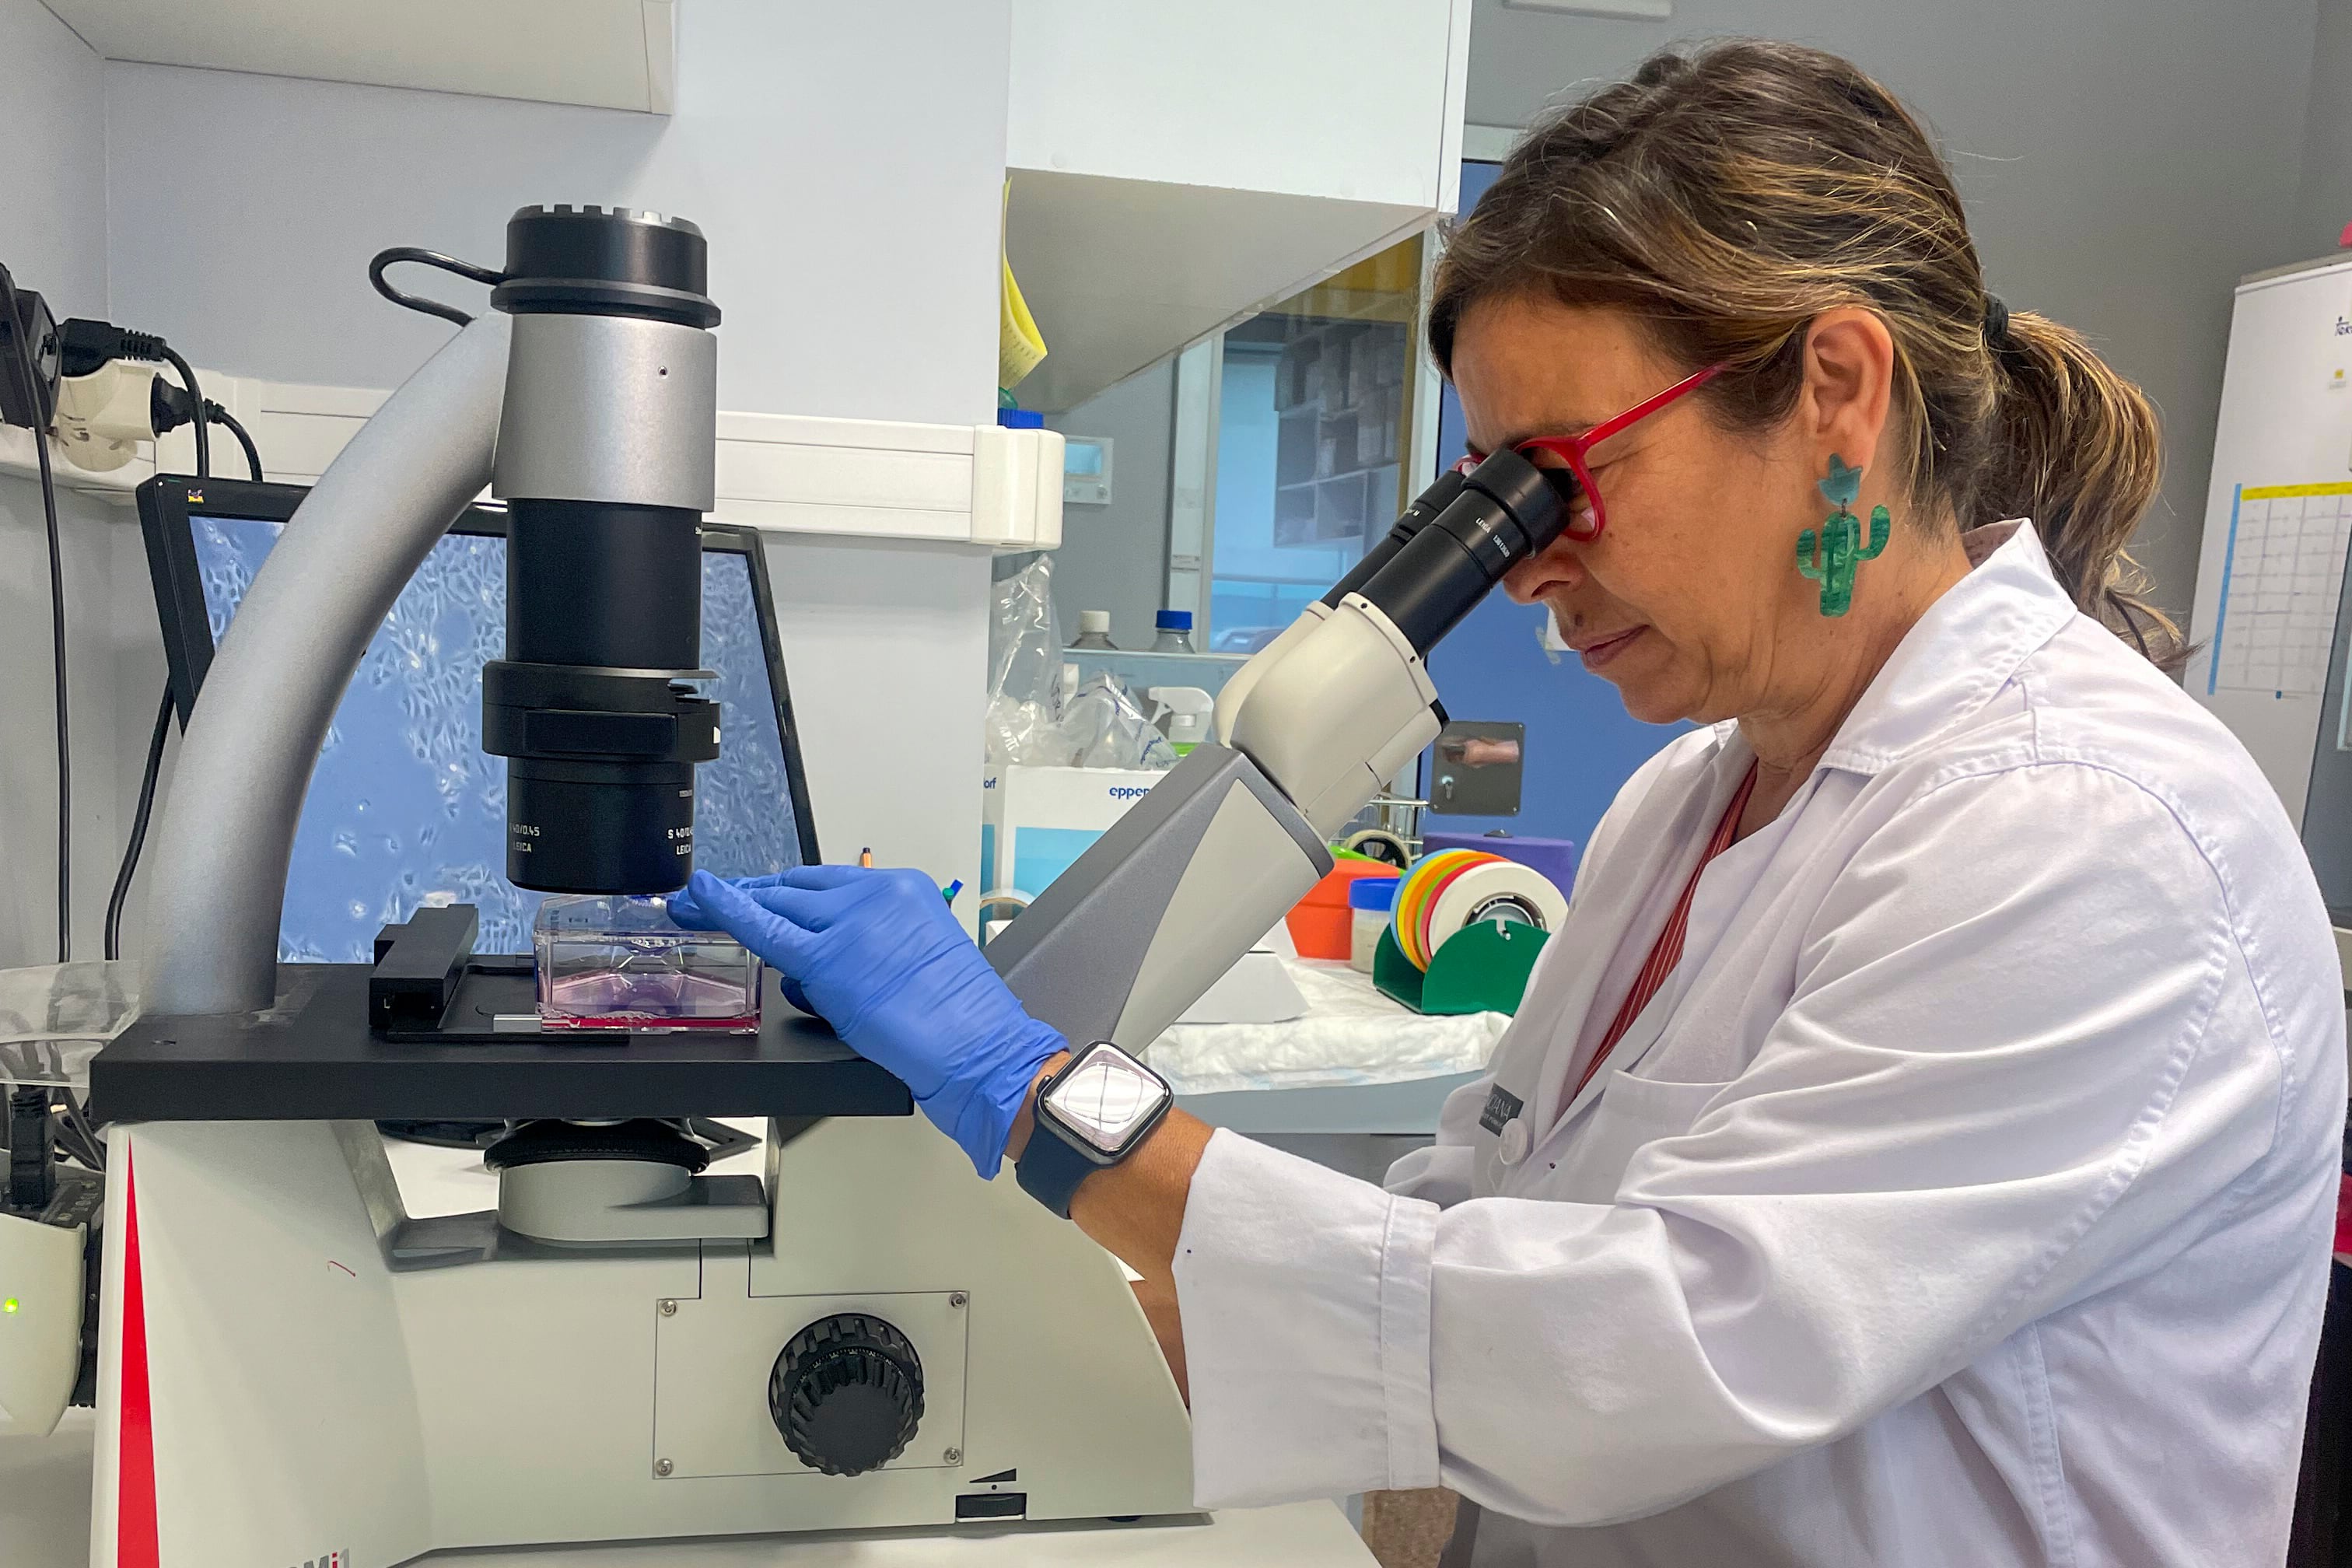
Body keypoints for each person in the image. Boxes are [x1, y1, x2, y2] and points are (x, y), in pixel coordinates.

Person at [674, 40, 2345, 1566]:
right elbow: (1461, 1244)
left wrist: (1041, 1098)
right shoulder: (1688, 804)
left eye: (1564, 470)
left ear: (1836, 398)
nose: (1530, 563)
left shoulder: (2092, 834)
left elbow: (1628, 1354)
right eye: (1492, 493)